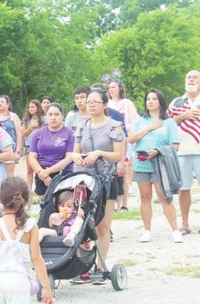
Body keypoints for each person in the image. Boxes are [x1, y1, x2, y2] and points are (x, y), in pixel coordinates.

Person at [70, 89, 125, 283]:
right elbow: (74, 151)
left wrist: (100, 152)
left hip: (106, 180)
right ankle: (80, 266)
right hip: (85, 181)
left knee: (103, 226)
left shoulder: (115, 126)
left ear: (104, 104)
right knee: (80, 224)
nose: (91, 104)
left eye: (95, 101)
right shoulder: (81, 126)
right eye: (89, 101)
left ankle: (100, 268)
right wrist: (75, 156)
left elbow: (118, 155)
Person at [167, 70, 200, 235]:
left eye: (195, 77)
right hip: (181, 152)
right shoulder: (176, 103)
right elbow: (168, 125)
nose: (191, 79)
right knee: (184, 188)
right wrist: (183, 116)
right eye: (188, 77)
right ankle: (184, 224)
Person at [0, 177, 52, 304]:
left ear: (0, 198)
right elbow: (36, 258)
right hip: (19, 281)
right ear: (26, 201)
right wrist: (46, 287)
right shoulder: (30, 226)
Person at [128, 89, 183, 243]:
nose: (150, 101)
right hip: (141, 163)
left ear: (160, 102)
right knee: (145, 197)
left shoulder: (169, 122)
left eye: (154, 99)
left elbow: (175, 146)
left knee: (165, 197)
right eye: (148, 99)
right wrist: (149, 128)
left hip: (161, 164)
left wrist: (158, 151)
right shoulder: (140, 121)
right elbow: (131, 139)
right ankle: (146, 230)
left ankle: (175, 230)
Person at [28, 103, 75, 200]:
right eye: (50, 114)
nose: (53, 118)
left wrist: (48, 171)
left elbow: (69, 158)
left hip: (63, 173)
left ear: (62, 116)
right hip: (41, 174)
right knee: (45, 207)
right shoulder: (38, 134)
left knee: (62, 206)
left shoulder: (70, 134)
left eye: (57, 114)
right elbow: (32, 157)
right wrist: (43, 174)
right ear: (46, 116)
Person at [107, 81, 138, 211]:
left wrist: (123, 128)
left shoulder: (127, 103)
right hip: (109, 139)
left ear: (120, 88)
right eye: (109, 88)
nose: (111, 89)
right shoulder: (107, 104)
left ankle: (124, 202)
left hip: (125, 138)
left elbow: (134, 120)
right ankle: (113, 202)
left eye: (113, 87)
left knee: (124, 169)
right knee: (111, 171)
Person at [0, 95, 23, 176]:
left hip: (11, 149)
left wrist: (18, 151)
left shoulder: (13, 116)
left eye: (2, 102)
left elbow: (19, 134)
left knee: (9, 175)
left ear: (8, 104)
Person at [21, 99, 46, 190]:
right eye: (29, 107)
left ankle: (41, 190)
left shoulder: (44, 119)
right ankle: (28, 191)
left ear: (38, 107)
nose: (30, 109)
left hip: (42, 147)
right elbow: (23, 134)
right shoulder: (27, 120)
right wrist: (31, 127)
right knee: (29, 170)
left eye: (32, 107)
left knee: (41, 169)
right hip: (29, 147)